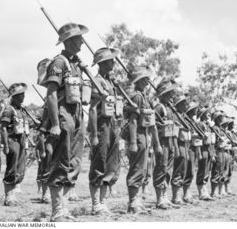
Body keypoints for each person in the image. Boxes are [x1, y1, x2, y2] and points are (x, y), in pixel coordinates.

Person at [43, 22, 88, 221]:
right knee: (61, 161)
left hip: (77, 115)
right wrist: (54, 123)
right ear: (69, 41)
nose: (82, 42)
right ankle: (56, 210)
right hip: (63, 116)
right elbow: (51, 94)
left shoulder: (76, 64)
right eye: (79, 38)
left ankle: (65, 207)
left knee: (74, 161)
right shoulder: (59, 63)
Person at [88, 47, 123, 215]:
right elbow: (93, 110)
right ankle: (95, 204)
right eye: (110, 61)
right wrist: (94, 134)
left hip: (114, 126)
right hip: (102, 127)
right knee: (99, 163)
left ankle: (102, 202)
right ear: (102, 64)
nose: (113, 63)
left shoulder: (111, 83)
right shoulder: (97, 82)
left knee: (111, 165)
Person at [125, 66, 162, 213]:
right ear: (139, 81)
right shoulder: (137, 97)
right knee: (136, 169)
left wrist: (155, 143)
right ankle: (133, 202)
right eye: (145, 78)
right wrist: (133, 142)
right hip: (138, 136)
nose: (148, 80)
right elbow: (133, 121)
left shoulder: (144, 97)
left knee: (142, 169)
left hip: (145, 136)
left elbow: (151, 123)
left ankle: (137, 200)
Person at [0, 83, 30, 206]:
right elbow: (3, 128)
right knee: (12, 168)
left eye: (23, 94)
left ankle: (13, 194)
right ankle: (9, 197)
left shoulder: (21, 109)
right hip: (13, 140)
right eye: (20, 94)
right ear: (14, 96)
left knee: (20, 168)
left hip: (22, 140)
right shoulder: (9, 109)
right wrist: (6, 145)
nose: (23, 96)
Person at [153, 78, 179, 209]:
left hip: (170, 142)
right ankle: (159, 198)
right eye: (169, 93)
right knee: (161, 168)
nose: (172, 96)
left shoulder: (170, 109)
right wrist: (157, 144)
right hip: (162, 142)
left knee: (168, 170)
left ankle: (164, 196)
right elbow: (154, 127)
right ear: (163, 94)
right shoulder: (159, 107)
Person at [172, 95, 194, 204]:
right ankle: (176, 195)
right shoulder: (176, 116)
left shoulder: (184, 117)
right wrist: (176, 148)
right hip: (179, 144)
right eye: (184, 103)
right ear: (179, 104)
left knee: (187, 170)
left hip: (187, 145)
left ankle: (185, 193)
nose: (187, 105)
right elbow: (175, 134)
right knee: (179, 170)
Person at [194, 106, 215, 201]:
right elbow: (198, 139)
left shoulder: (208, 126)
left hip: (208, 149)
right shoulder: (200, 124)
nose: (209, 115)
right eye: (207, 113)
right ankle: (200, 191)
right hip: (202, 149)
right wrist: (198, 152)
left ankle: (204, 189)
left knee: (207, 170)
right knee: (202, 170)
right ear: (202, 114)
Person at [209, 110, 227, 198]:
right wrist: (212, 154)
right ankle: (213, 192)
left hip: (222, 151)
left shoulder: (221, 129)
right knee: (216, 171)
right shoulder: (214, 128)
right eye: (220, 117)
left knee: (221, 171)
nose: (221, 119)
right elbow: (212, 142)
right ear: (216, 118)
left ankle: (219, 191)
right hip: (217, 151)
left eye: (222, 117)